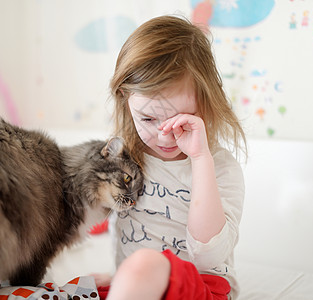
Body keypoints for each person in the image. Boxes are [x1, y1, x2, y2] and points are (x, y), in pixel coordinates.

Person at [94, 15, 247, 300]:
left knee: (141, 265)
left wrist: (200, 159)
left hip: (202, 289)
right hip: (138, 288)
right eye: (148, 118)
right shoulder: (118, 158)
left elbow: (209, 257)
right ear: (126, 99)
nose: (164, 137)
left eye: (179, 120)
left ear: (204, 101)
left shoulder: (220, 168)